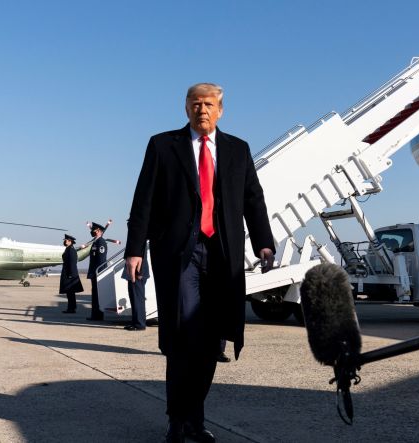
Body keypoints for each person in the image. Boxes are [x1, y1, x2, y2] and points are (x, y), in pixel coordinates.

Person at [124, 82, 275, 443]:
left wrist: (264, 244)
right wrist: (134, 249)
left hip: (222, 255)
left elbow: (254, 200)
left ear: (220, 110)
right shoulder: (163, 145)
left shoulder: (238, 150)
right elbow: (143, 199)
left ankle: (195, 418)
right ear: (186, 108)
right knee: (181, 337)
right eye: (195, 103)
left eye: (208, 104)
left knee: (211, 341)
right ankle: (178, 420)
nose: (201, 109)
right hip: (179, 254)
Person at [121, 243, 149, 331]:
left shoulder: (139, 242)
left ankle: (139, 324)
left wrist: (140, 272)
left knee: (138, 299)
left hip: (137, 274)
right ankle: (135, 322)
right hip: (133, 274)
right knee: (134, 299)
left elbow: (141, 258)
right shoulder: (136, 242)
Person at [86, 222, 108, 321]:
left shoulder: (101, 242)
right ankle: (95, 315)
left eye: (93, 230)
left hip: (97, 272)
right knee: (94, 294)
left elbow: (101, 260)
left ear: (99, 231)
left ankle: (98, 315)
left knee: (97, 295)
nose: (92, 232)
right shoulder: (96, 242)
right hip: (94, 272)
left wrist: (99, 273)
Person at [59, 234, 84, 314]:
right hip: (68, 273)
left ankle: (71, 308)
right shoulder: (68, 249)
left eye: (66, 240)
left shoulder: (71, 250)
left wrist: (70, 275)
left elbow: (72, 263)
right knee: (69, 293)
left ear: (70, 241)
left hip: (70, 274)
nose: (64, 241)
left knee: (70, 292)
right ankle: (71, 307)